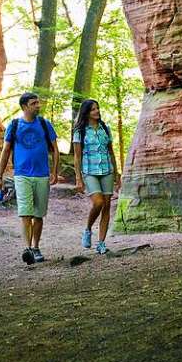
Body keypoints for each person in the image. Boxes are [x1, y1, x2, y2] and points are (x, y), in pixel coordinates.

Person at [0, 92, 59, 265]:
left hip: (42, 175)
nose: (38, 105)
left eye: (38, 102)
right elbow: (6, 150)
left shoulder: (45, 124)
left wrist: (54, 171)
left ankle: (36, 246)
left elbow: (55, 149)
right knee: (26, 213)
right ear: (24, 107)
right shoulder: (15, 125)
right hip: (22, 175)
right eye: (34, 103)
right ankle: (28, 249)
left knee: (38, 215)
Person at [72, 99, 121, 255]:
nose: (97, 111)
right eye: (93, 109)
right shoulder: (80, 131)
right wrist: (78, 178)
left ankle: (101, 243)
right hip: (90, 171)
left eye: (97, 108)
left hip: (107, 170)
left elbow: (111, 152)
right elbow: (77, 156)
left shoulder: (105, 128)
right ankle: (87, 229)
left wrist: (117, 174)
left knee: (107, 206)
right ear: (86, 112)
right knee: (98, 202)